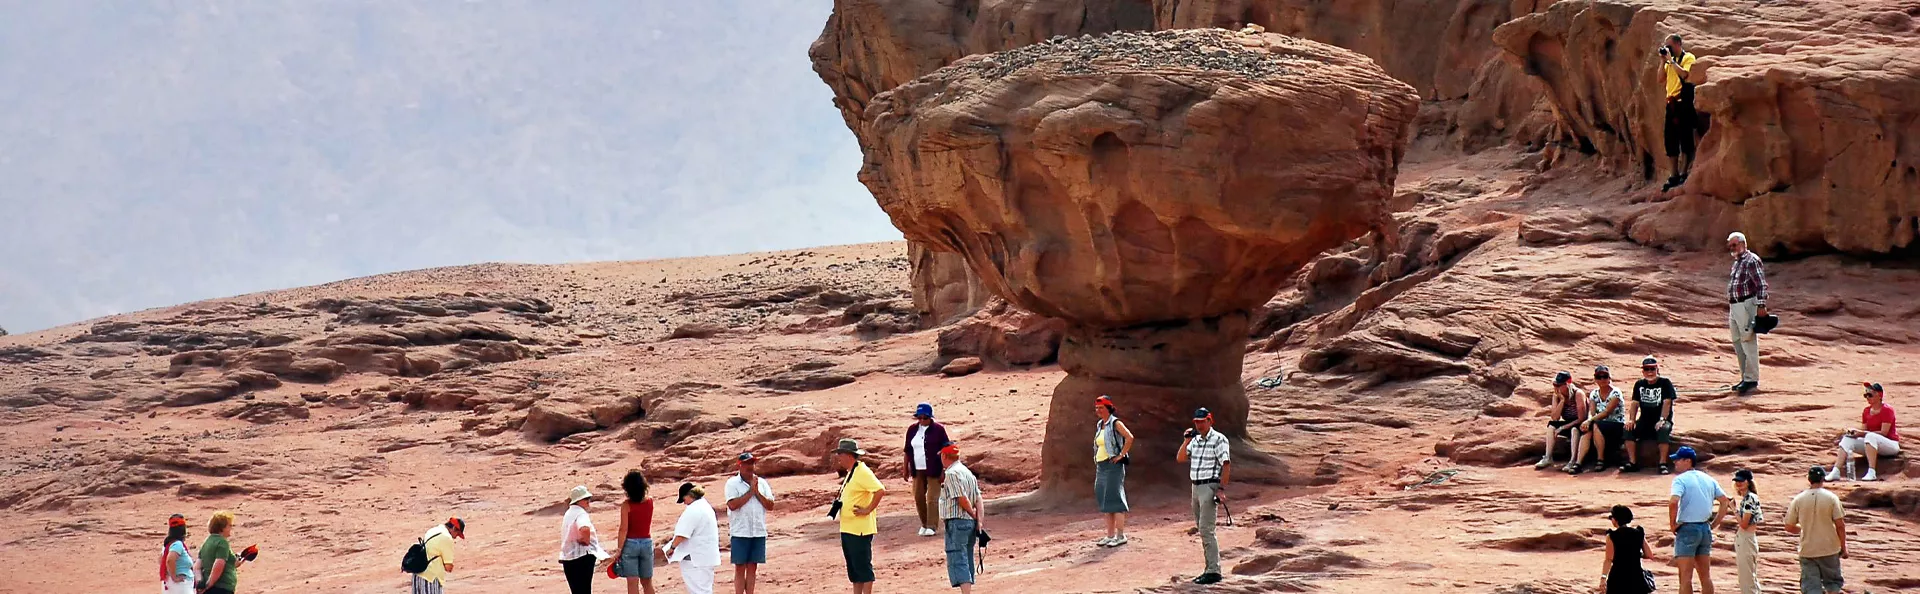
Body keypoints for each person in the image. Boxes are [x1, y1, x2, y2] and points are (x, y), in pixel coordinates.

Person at [1176, 407, 1231, 585]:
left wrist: (1221, 489)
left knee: (1207, 529)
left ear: (1209, 420)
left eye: (1202, 421)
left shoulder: (1219, 439)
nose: (1199, 425)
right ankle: (1209, 568)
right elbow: (1181, 458)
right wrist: (1186, 441)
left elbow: (1226, 464)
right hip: (1196, 486)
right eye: (1196, 422)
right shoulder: (1196, 441)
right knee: (1202, 528)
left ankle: (1213, 571)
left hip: (1209, 485)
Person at [1668, 447, 1732, 594]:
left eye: (1678, 459)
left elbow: (1673, 502)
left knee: (1685, 578)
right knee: (1705, 577)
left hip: (1687, 529)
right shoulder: (1708, 479)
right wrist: (1714, 524)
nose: (1675, 462)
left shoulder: (1680, 480)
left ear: (1688, 461)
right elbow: (1724, 501)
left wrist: (1673, 524)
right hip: (1705, 529)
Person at [833, 439, 886, 594]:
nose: (839, 458)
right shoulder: (852, 472)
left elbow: (880, 490)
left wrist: (868, 509)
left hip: (860, 529)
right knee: (854, 570)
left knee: (863, 568)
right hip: (849, 528)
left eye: (840, 454)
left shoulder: (862, 471)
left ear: (849, 455)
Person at [1785, 465, 1847, 594]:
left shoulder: (1798, 499)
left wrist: (1804, 529)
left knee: (1811, 588)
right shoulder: (1831, 498)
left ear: (1809, 479)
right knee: (1833, 585)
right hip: (1829, 548)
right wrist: (1843, 547)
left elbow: (1789, 527)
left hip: (1808, 550)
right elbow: (1840, 525)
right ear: (1823, 479)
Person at [1827, 382, 1900, 482]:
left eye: (1870, 395)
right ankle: (1836, 471)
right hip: (1871, 444)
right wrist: (1854, 433)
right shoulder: (1866, 411)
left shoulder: (1887, 410)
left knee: (1870, 436)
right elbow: (1863, 431)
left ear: (1880, 395)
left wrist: (1861, 433)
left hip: (1890, 445)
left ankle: (1872, 472)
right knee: (1848, 439)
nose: (1867, 398)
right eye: (1865, 395)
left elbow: (1884, 432)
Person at [724, 453, 775, 594]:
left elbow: (770, 505)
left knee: (753, 566)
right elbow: (733, 505)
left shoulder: (762, 483)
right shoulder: (732, 483)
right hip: (740, 531)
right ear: (740, 465)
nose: (750, 467)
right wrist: (750, 492)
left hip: (758, 530)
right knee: (740, 567)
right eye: (747, 464)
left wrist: (757, 492)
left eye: (752, 463)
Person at [1725, 231, 1768, 395]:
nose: (1732, 248)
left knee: (1748, 339)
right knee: (1737, 340)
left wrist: (1761, 304)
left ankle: (1751, 379)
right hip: (1735, 305)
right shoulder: (1737, 262)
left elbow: (1762, 284)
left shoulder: (1752, 260)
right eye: (1730, 245)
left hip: (1746, 304)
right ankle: (1745, 377)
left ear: (1743, 243)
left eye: (1734, 245)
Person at [938, 442, 984, 593]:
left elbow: (961, 498)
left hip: (957, 521)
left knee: (957, 557)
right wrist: (979, 520)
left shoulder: (951, 473)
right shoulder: (967, 472)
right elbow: (978, 498)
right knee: (967, 555)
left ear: (944, 456)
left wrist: (972, 515)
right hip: (969, 523)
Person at [662, 482, 721, 594]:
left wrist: (672, 548)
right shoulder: (705, 506)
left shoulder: (693, 510)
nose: (684, 502)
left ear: (689, 495)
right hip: (707, 556)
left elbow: (682, 534)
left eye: (683, 499)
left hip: (695, 558)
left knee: (697, 590)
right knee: (705, 589)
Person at [1625, 357, 1679, 474]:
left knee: (1663, 430)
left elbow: (1667, 402)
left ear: (1657, 369)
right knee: (1628, 430)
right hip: (1644, 420)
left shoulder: (1665, 383)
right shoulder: (1639, 384)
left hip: (1661, 419)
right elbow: (1634, 403)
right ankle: (1632, 463)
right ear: (1643, 371)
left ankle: (1662, 463)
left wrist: (1662, 419)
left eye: (1652, 369)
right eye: (1646, 369)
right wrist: (1632, 420)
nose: (1650, 372)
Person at [1660, 33, 1700, 191]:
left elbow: (1685, 74)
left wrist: (1671, 61)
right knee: (1670, 140)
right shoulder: (1669, 62)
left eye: (1669, 46)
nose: (1667, 49)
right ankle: (1673, 174)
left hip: (1684, 103)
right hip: (1671, 105)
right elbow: (1659, 79)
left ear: (1677, 44)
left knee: (1686, 139)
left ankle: (1684, 173)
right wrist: (1663, 61)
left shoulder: (1687, 57)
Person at [1092, 395, 1134, 546]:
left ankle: (1120, 535)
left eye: (1101, 408)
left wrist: (1121, 455)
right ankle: (1110, 535)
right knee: (1104, 498)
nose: (1098, 410)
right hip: (1101, 466)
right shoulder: (1100, 424)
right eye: (1097, 408)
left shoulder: (1115, 423)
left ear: (1108, 408)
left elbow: (1129, 437)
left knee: (1115, 498)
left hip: (1113, 466)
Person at [904, 402, 950, 537]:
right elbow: (907, 450)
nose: (922, 420)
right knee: (918, 496)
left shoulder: (939, 430)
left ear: (930, 418)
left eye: (925, 418)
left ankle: (932, 525)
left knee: (932, 498)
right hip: (917, 469)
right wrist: (905, 468)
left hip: (934, 468)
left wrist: (944, 470)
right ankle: (924, 523)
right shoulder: (912, 430)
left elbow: (945, 449)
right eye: (919, 417)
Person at [1574, 366, 1627, 474]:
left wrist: (1590, 421)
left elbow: (1607, 412)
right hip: (1599, 423)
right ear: (1595, 379)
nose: (1602, 379)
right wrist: (1589, 420)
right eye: (1599, 377)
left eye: (1605, 376)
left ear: (1609, 378)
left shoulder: (1616, 392)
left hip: (1616, 424)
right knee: (1588, 429)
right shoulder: (1594, 393)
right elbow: (1592, 412)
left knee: (1594, 425)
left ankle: (1601, 459)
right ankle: (1578, 463)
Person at [559, 485, 609, 594]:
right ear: (578, 501)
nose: (588, 501)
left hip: (568, 557)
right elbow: (584, 528)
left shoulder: (568, 513)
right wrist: (585, 540)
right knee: (585, 589)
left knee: (576, 590)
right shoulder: (580, 513)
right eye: (585, 499)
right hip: (582, 556)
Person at [613, 471, 657, 594]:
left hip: (630, 544)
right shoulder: (650, 501)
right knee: (647, 582)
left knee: (632, 583)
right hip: (646, 542)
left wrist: (619, 550)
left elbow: (623, 529)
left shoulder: (626, 505)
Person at [1538, 371, 1589, 470]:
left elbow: (1581, 418)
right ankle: (1548, 457)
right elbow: (1555, 418)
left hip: (1579, 423)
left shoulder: (1578, 394)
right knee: (1551, 425)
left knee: (1574, 429)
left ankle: (1573, 460)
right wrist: (1561, 401)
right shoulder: (1556, 395)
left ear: (1567, 383)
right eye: (1555, 384)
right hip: (1568, 422)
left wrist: (1563, 427)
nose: (1556, 387)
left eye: (1559, 385)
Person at [1599, 505, 1652, 594]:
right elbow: (1649, 555)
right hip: (1636, 577)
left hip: (1618, 577)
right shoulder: (1638, 533)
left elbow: (1608, 559)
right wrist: (1637, 554)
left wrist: (1603, 578)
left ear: (1616, 520)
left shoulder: (1612, 536)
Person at [197, 510, 249, 594]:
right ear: (222, 527)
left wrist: (200, 584)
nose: (231, 528)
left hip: (209, 588)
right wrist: (209, 585)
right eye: (229, 526)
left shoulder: (206, 542)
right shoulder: (222, 542)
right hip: (221, 588)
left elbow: (197, 566)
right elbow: (219, 564)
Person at [412, 517, 465, 594]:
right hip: (431, 578)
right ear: (453, 528)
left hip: (417, 575)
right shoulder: (447, 538)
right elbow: (448, 567)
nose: (456, 537)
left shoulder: (433, 530)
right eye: (457, 533)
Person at [1732, 470, 1763, 594]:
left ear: (1749, 482)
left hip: (1746, 538)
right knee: (1750, 577)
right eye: (1737, 481)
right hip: (1747, 538)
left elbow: (1744, 524)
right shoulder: (1748, 498)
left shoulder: (1749, 498)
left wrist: (1733, 509)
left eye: (1742, 481)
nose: (1739, 483)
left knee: (1747, 579)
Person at [161, 514, 196, 594]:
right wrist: (174, 577)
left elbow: (161, 560)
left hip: (171, 584)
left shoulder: (167, 545)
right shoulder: (177, 544)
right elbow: (170, 560)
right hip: (180, 586)